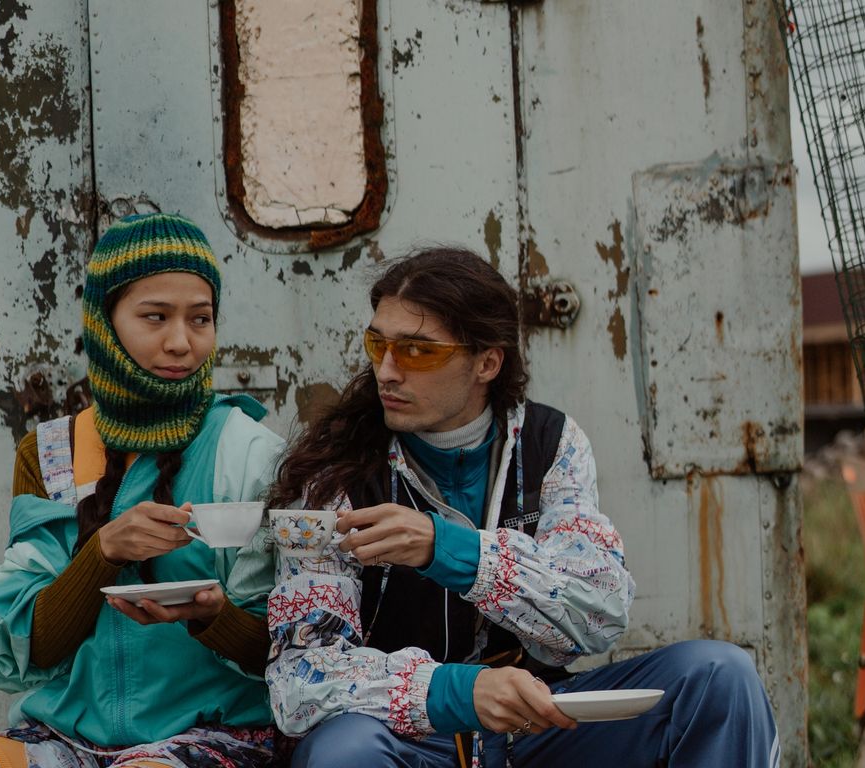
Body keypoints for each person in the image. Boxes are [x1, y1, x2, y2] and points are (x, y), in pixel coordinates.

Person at [265, 248, 780, 767]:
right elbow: (301, 677)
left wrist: (449, 550)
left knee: (718, 676)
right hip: (408, 741)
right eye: (378, 344)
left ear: (487, 362)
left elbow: (599, 608)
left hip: (541, 728)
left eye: (418, 351)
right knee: (343, 752)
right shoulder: (335, 473)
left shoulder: (550, 443)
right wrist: (459, 691)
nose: (387, 371)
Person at [0, 213, 283, 768]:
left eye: (200, 319)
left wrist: (210, 616)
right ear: (105, 323)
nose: (181, 342)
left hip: (212, 738)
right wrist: (103, 553)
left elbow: (281, 655)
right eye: (155, 317)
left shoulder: (251, 453)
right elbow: (27, 651)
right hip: (64, 740)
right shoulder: (50, 453)